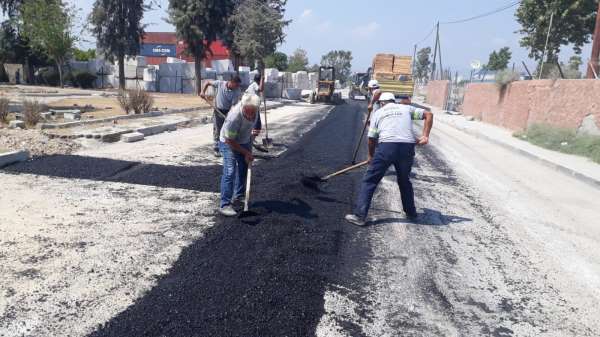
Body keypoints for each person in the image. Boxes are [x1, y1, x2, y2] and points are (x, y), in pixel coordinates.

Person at [345, 92, 434, 226]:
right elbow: (429, 114)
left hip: (387, 147)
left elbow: (371, 139)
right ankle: (411, 213)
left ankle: (360, 216)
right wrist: (425, 136)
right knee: (404, 181)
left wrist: (371, 156)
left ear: (381, 103)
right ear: (393, 101)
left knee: (370, 180)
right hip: (407, 148)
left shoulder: (379, 113)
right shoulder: (406, 108)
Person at [218, 93, 262, 217]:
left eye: (253, 112)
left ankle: (239, 196)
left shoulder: (254, 109)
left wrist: (250, 144)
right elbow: (229, 141)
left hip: (244, 141)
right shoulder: (234, 117)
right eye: (248, 112)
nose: (251, 115)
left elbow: (253, 128)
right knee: (230, 171)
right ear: (243, 106)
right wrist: (245, 152)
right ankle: (225, 204)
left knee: (244, 167)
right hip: (228, 142)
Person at [201, 76, 242, 157]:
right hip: (217, 110)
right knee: (217, 129)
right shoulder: (220, 83)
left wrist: (229, 115)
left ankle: (228, 147)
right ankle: (216, 149)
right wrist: (203, 92)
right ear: (231, 82)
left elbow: (234, 105)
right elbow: (208, 83)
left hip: (228, 112)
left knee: (228, 131)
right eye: (236, 85)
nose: (237, 87)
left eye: (238, 86)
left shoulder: (236, 91)